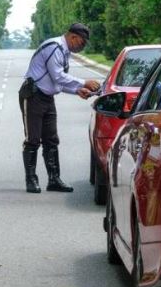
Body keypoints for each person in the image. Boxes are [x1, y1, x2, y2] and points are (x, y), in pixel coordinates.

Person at [19, 23, 100, 193]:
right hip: (33, 96)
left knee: (51, 139)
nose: (82, 47)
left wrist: (77, 90)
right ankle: (31, 180)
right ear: (73, 37)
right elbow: (58, 75)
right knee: (33, 139)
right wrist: (83, 82)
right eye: (82, 42)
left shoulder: (64, 51)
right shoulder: (54, 48)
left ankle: (54, 179)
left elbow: (57, 82)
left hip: (47, 98)